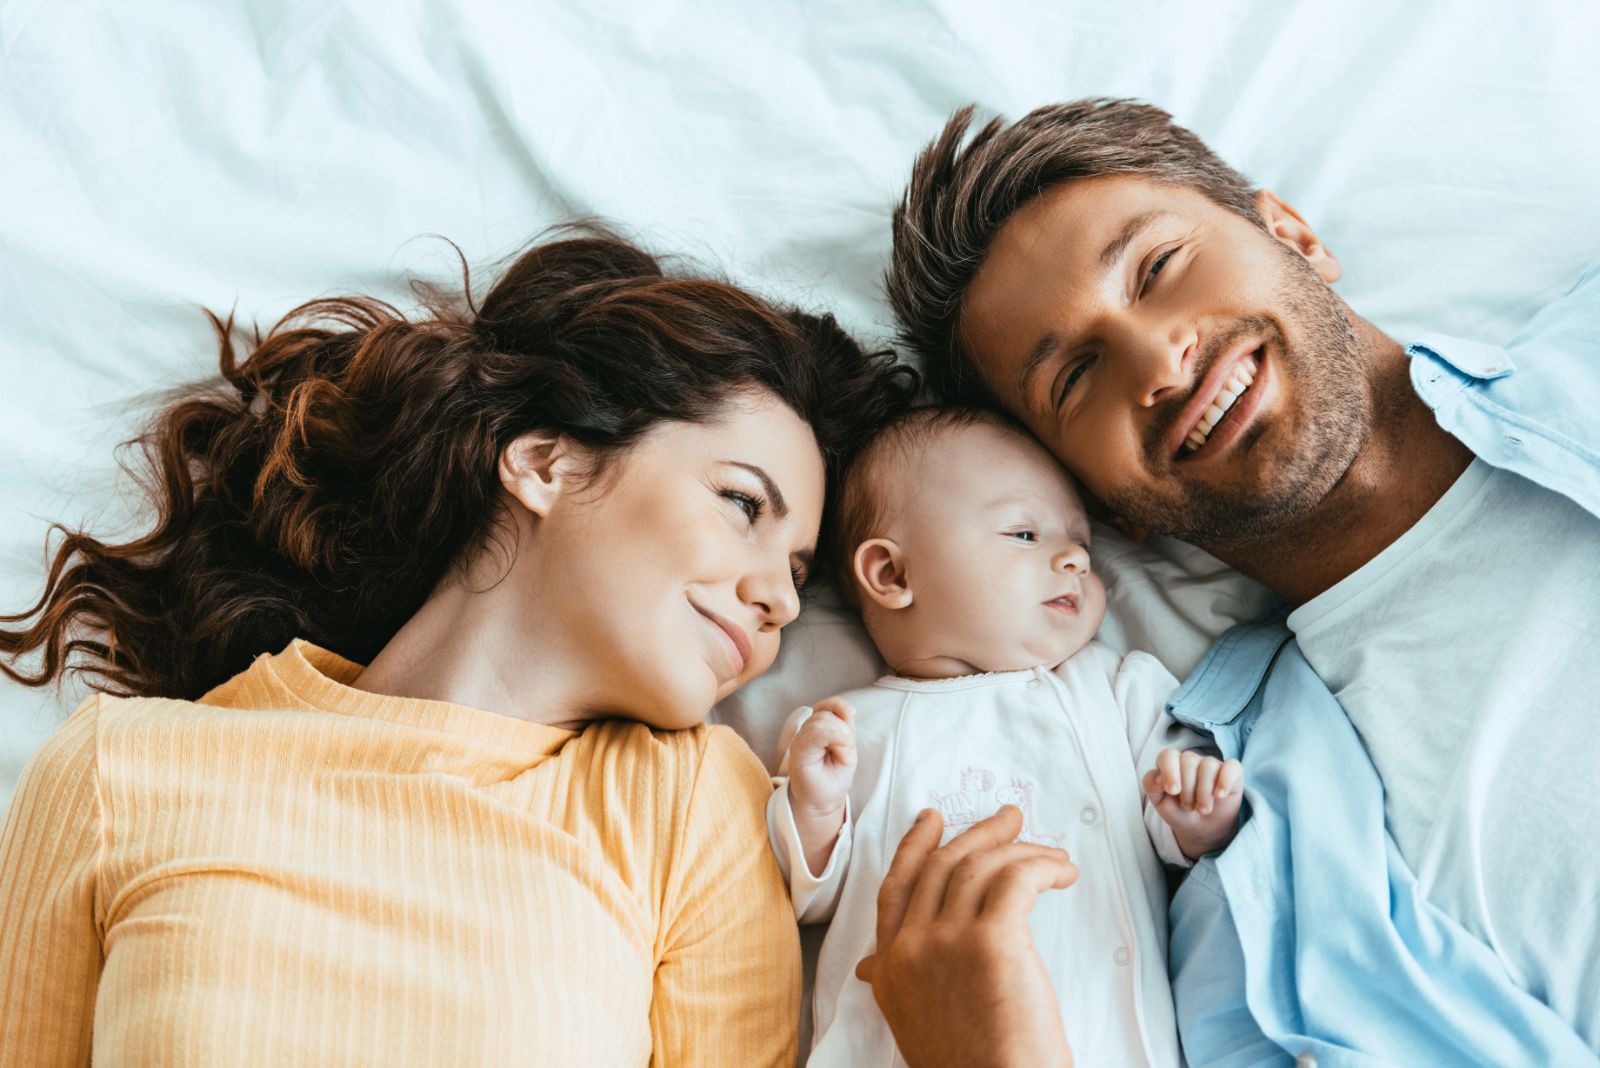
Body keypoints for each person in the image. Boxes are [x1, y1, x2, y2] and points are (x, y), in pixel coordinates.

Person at [0, 227, 917, 1066]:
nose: (779, 602)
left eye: (800, 574)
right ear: (545, 463)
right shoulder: (116, 769)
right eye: (743, 505)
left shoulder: (693, 805)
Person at [865, 97, 1600, 1064]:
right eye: (1077, 376)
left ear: (1290, 232)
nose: (1157, 360)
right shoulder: (1251, 874)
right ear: (1103, 505)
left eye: (1158, 269)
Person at [766, 406, 1243, 1067]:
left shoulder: (1114, 688)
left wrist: (1195, 820)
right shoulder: (848, 730)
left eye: (1082, 541)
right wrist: (813, 809)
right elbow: (797, 892)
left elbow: (1170, 820)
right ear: (893, 575)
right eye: (1024, 533)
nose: (1075, 555)